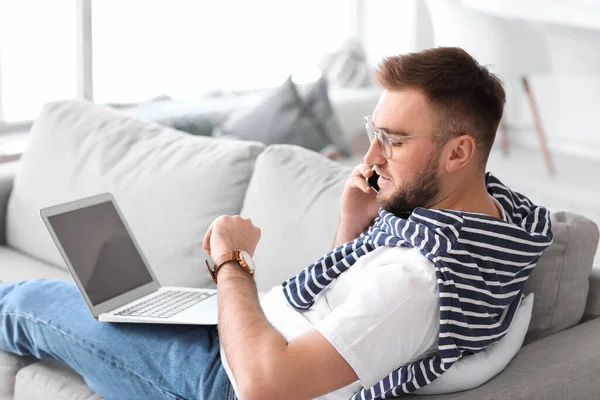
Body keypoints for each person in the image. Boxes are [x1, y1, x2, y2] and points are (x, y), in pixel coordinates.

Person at [0, 47, 553, 400]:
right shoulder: (494, 218)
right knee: (110, 299)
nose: (372, 156)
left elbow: (268, 387)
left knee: (28, 303)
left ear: (459, 153)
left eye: (396, 140)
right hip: (261, 332)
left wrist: (231, 263)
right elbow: (353, 307)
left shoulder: (416, 279)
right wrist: (353, 227)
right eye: (374, 130)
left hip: (228, 379)